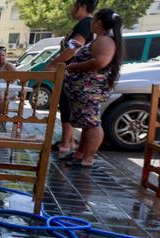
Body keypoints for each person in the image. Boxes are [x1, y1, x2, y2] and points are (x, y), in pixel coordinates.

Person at [61, 9, 123, 167]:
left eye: (93, 20)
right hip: (83, 91)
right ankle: (79, 154)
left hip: (90, 90)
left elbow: (101, 61)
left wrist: (75, 66)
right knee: (86, 124)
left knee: (92, 123)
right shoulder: (102, 39)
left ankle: (87, 159)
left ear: (99, 22)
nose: (91, 23)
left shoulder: (105, 41)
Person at [47, 0, 98, 153]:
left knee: (67, 105)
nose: (71, 9)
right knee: (65, 104)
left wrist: (53, 63)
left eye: (73, 6)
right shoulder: (85, 24)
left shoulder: (85, 23)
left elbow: (74, 48)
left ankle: (66, 143)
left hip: (73, 73)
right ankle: (68, 141)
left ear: (82, 6)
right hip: (71, 72)